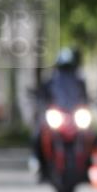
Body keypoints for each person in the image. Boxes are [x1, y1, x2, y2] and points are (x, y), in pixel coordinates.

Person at [29, 47, 91, 181]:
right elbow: (41, 96)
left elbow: (86, 98)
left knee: (92, 134)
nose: (67, 70)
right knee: (38, 133)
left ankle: (92, 164)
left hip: (74, 116)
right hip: (57, 115)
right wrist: (39, 99)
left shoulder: (79, 82)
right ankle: (36, 162)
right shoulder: (51, 81)